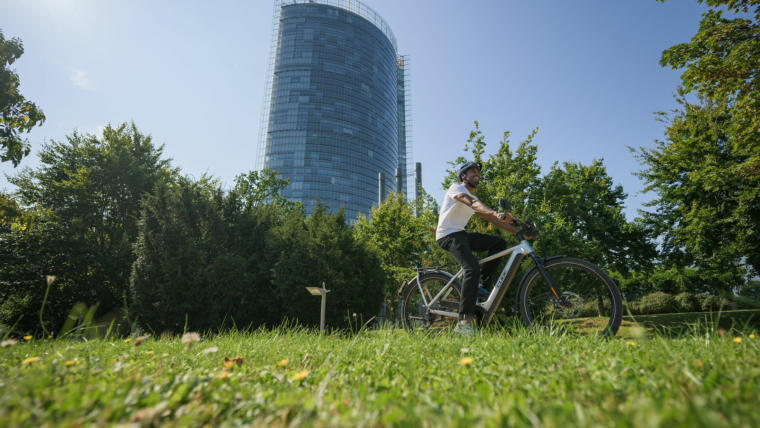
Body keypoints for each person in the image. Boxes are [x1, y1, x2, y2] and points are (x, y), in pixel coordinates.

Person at [435, 161, 529, 336]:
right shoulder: (456, 188)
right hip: (447, 236)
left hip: (461, 235)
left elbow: (494, 220)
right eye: (473, 172)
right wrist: (495, 213)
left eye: (478, 172)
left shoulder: (474, 199)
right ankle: (463, 322)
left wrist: (518, 232)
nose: (477, 174)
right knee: (471, 268)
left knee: (499, 243)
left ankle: (481, 286)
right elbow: (471, 203)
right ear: (464, 176)